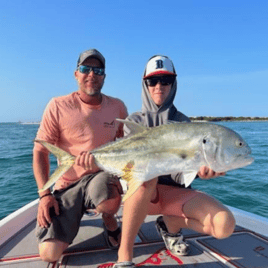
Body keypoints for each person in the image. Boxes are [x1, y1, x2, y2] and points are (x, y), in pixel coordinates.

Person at [114, 55, 236, 267]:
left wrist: (199, 171)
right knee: (145, 178)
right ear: (145, 84)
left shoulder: (183, 122)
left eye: (165, 80)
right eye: (153, 81)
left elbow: (181, 175)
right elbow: (129, 169)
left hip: (174, 194)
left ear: (174, 84)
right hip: (144, 196)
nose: (159, 86)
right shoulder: (134, 122)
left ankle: (170, 222)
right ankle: (124, 256)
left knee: (224, 224)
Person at [33, 48, 128, 262]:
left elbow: (125, 145)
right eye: (86, 69)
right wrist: (44, 195)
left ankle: (110, 222)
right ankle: (71, 212)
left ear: (104, 76)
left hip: (100, 175)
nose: (92, 75)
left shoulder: (118, 107)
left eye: (98, 70)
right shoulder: (58, 105)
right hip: (67, 183)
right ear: (76, 73)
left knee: (109, 203)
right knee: (49, 255)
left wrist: (122, 175)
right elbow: (40, 151)